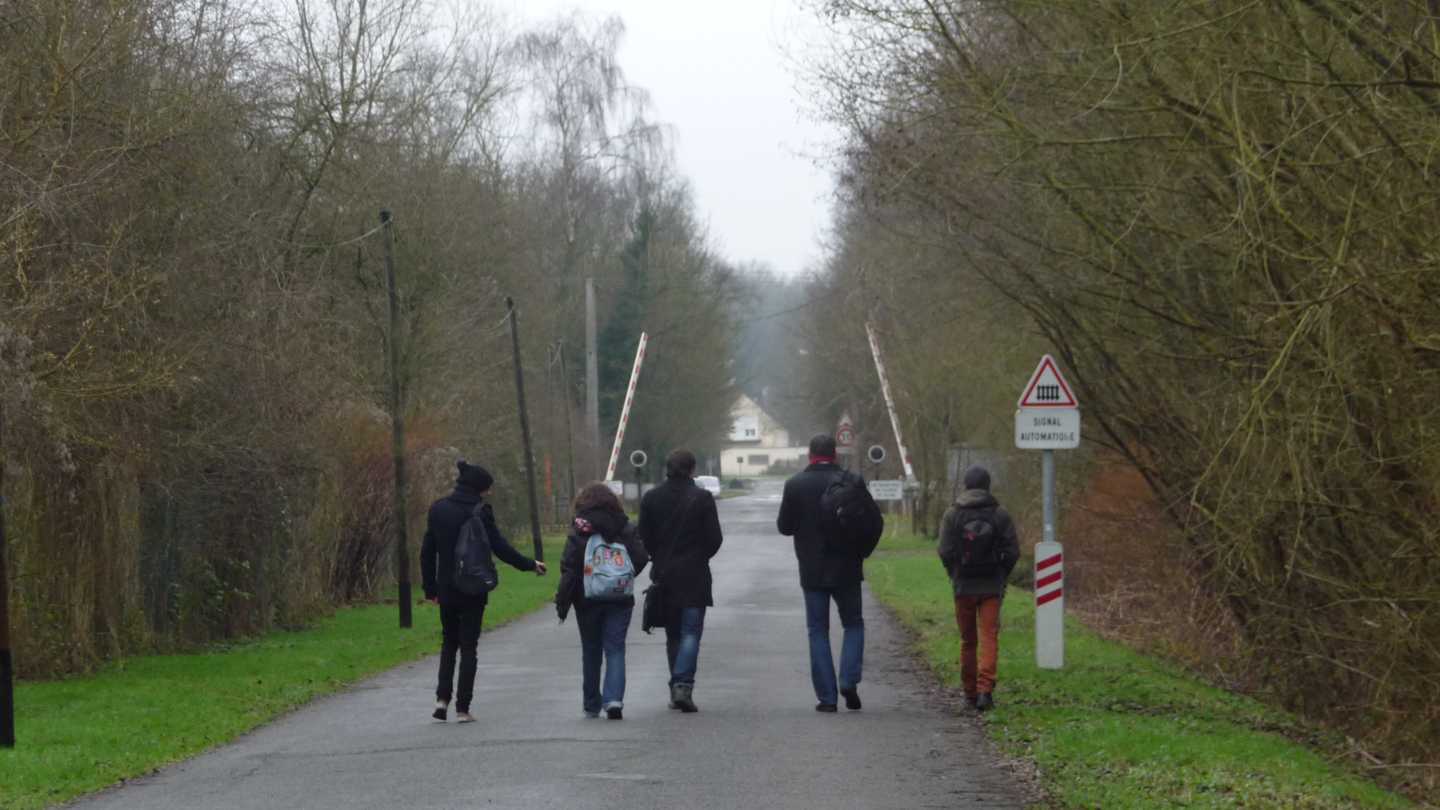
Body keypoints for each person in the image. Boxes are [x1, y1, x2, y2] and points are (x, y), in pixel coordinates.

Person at [420, 461, 546, 723]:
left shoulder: (438, 509)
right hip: (474, 587)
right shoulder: (481, 511)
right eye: (487, 489)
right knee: (469, 647)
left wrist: (430, 587)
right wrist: (529, 564)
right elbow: (499, 547)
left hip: (446, 588)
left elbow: (427, 551)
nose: (488, 493)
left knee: (448, 643)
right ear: (479, 488)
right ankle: (463, 709)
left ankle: (442, 700)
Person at [777, 434, 882, 713]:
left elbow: (784, 527)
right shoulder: (851, 482)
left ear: (810, 454)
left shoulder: (795, 484)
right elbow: (871, 519)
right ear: (834, 455)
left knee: (817, 631)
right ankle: (848, 679)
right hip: (847, 566)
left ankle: (827, 698)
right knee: (853, 624)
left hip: (812, 570)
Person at [637, 449, 724, 713]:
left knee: (674, 633)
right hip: (695, 574)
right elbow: (714, 539)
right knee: (691, 632)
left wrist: (660, 556)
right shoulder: (702, 498)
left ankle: (677, 684)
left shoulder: (651, 498)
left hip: (664, 575)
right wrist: (699, 556)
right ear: (692, 469)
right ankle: (683, 685)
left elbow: (644, 536)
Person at [555, 483, 649, 720]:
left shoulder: (580, 528)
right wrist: (622, 577)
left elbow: (568, 563)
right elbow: (640, 557)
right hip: (620, 596)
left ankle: (591, 703)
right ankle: (614, 699)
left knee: (591, 649)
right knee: (615, 648)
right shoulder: (625, 526)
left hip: (587, 597)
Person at [938, 465, 1020, 712]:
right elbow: (1013, 551)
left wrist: (954, 573)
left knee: (968, 641)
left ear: (965, 485)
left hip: (963, 585)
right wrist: (1001, 575)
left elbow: (945, 550)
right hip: (991, 586)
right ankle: (986, 691)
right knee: (989, 637)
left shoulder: (952, 514)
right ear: (988, 486)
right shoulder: (1000, 514)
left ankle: (969, 692)